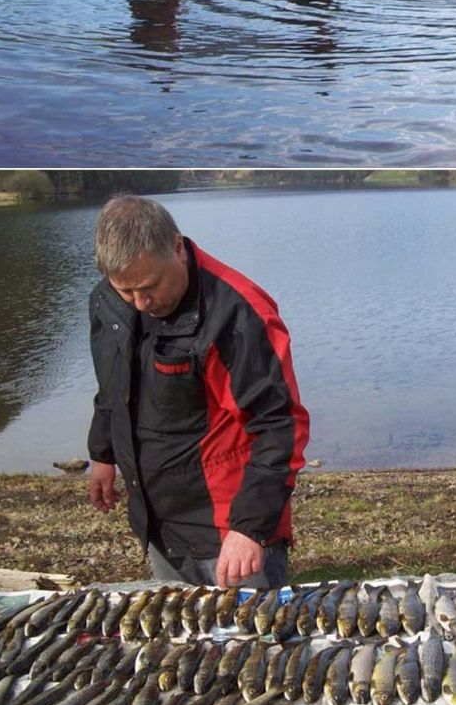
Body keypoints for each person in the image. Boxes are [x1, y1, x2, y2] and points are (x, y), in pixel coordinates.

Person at [86, 196, 309, 589]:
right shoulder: (108, 302)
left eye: (150, 286)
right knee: (186, 643)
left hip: (230, 531)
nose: (140, 304)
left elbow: (278, 425)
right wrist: (102, 453)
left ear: (177, 248)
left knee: (254, 646)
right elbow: (113, 384)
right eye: (126, 291)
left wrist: (250, 527)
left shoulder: (236, 312)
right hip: (159, 522)